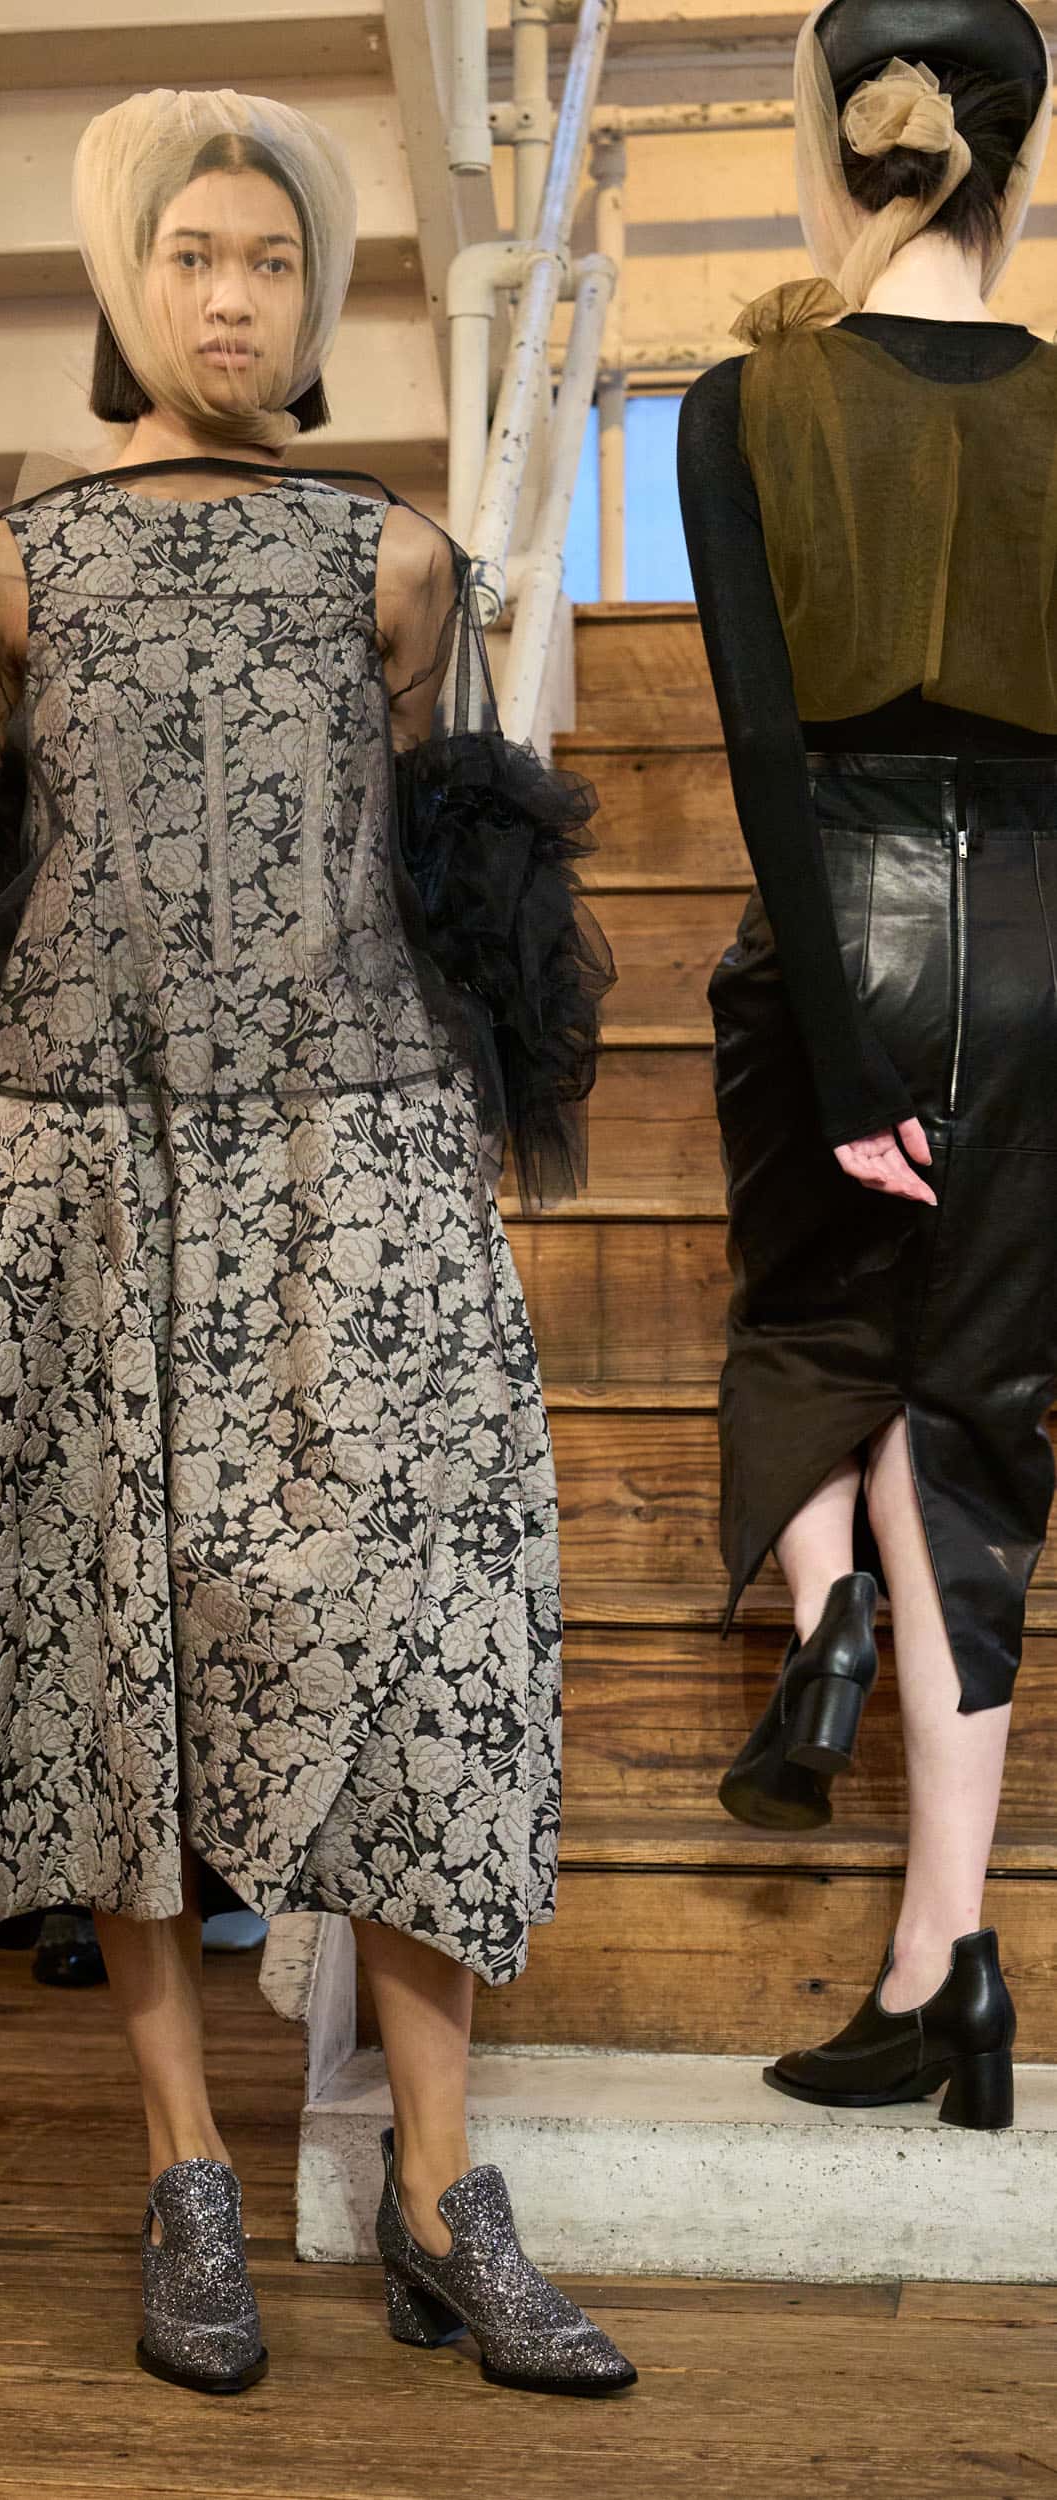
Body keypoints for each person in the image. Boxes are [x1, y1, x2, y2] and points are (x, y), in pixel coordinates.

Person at [0, 89, 631, 2398]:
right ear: (122, 285)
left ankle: (445, 2192)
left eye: (270, 261)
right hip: (83, 1176)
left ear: (316, 297)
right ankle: (183, 2172)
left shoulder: (396, 567)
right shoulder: (0, 576)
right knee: (112, 1661)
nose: (233, 299)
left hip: (353, 1171)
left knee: (421, 1652)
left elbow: (455, 911)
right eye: (191, 258)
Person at [678, 0, 1053, 2129]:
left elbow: (755, 743)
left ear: (834, 149)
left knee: (807, 1342)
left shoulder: (741, 404)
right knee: (974, 1432)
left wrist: (836, 1057)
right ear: (1020, 161)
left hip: (840, 926)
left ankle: (824, 1621)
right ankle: (949, 1965)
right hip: (1043, 949)